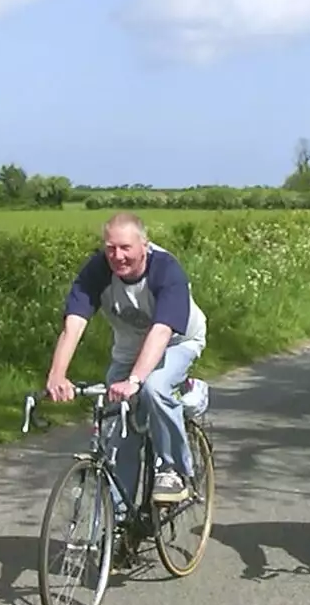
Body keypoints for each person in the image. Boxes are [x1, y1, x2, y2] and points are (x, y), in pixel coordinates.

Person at [45, 211, 207, 510]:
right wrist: (57, 374)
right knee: (118, 428)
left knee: (154, 388)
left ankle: (174, 470)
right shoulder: (96, 271)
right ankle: (119, 521)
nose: (117, 256)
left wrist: (135, 380)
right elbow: (75, 323)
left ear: (144, 245)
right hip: (129, 348)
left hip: (177, 341)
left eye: (125, 248)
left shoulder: (166, 269)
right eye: (110, 248)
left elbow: (161, 331)